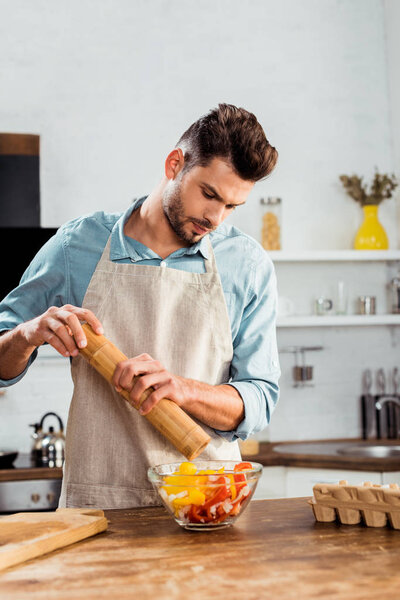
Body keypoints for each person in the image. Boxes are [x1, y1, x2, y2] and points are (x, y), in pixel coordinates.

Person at [0, 103, 280, 509]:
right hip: (100, 505)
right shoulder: (76, 245)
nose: (216, 218)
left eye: (232, 206)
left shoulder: (248, 266)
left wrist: (184, 389)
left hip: (204, 504)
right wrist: (27, 334)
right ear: (174, 164)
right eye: (209, 194)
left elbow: (259, 399)